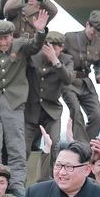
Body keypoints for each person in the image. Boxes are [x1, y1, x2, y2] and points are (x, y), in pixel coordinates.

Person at [0, 16, 49, 196]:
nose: (3, 42)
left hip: (14, 102)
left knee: (16, 146)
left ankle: (17, 186)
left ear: (12, 36)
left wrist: (40, 31)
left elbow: (35, 46)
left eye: (6, 38)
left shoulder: (20, 45)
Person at [24, 30, 74, 180]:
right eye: (47, 45)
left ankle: (54, 179)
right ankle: (22, 182)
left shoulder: (66, 60)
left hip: (51, 111)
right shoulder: (34, 57)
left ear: (61, 48)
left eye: (54, 47)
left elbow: (68, 79)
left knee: (54, 147)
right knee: (23, 149)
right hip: (30, 111)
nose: (50, 49)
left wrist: (55, 61)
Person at [62, 10, 100, 143]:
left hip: (86, 83)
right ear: (87, 24)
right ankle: (78, 145)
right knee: (76, 113)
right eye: (94, 32)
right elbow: (57, 54)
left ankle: (85, 145)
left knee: (97, 116)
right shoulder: (70, 38)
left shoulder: (99, 44)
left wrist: (99, 75)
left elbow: (99, 63)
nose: (95, 35)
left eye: (98, 33)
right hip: (69, 82)